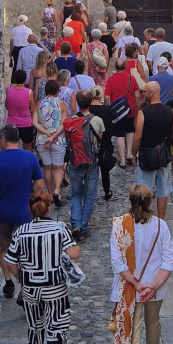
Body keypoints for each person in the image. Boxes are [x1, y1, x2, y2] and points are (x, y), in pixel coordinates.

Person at [4, 191, 80, 344]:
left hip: (30, 289)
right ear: (49, 208)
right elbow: (74, 253)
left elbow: (10, 261)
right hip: (56, 289)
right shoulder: (60, 228)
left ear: (30, 210)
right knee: (56, 330)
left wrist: (23, 279)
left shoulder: (21, 232)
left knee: (34, 325)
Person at [111, 184, 173, 344]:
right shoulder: (161, 226)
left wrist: (137, 285)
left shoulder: (120, 225)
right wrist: (151, 287)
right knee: (153, 321)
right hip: (155, 288)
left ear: (130, 200)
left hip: (131, 289)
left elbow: (118, 263)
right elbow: (169, 262)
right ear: (150, 202)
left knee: (133, 336)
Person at [0, 124, 44, 299]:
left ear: (2, 139)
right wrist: (30, 195)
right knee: (24, 251)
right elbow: (39, 185)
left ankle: (9, 283)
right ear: (17, 140)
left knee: (5, 248)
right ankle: (26, 285)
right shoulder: (30, 158)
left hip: (2, 213)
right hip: (24, 212)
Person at [132, 81, 173, 219]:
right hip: (163, 155)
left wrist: (133, 153)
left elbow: (138, 136)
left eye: (145, 92)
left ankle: (144, 217)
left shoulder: (143, 113)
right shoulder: (169, 111)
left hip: (147, 156)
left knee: (144, 190)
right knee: (163, 191)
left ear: (151, 93)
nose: (143, 94)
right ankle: (161, 220)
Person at [66, 91, 104, 241]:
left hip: (74, 161)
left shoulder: (70, 121)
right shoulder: (98, 120)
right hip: (91, 162)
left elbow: (68, 139)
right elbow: (99, 140)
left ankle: (75, 223)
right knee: (89, 195)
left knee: (76, 194)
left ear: (78, 103)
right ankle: (83, 227)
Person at [32, 79, 67, 206]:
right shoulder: (62, 104)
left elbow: (34, 122)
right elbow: (64, 123)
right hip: (58, 140)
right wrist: (53, 136)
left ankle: (50, 193)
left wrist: (46, 134)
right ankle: (57, 190)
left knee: (47, 167)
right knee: (58, 167)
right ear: (57, 91)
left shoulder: (38, 104)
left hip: (42, 139)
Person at [104, 58, 140, 168]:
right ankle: (129, 153)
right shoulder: (131, 78)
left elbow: (106, 97)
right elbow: (137, 95)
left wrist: (108, 109)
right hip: (130, 109)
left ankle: (122, 160)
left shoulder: (111, 79)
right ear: (125, 67)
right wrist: (137, 109)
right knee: (130, 131)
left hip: (117, 111)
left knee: (119, 134)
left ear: (115, 67)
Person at [88, 86, 115, 200]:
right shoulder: (107, 109)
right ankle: (106, 190)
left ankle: (90, 191)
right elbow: (110, 127)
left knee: (90, 169)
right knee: (105, 170)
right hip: (105, 142)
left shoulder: (87, 109)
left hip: (90, 143)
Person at [6, 70, 34, 153]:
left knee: (11, 148)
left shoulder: (9, 90)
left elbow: (7, 106)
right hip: (25, 124)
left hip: (11, 123)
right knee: (27, 148)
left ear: (14, 79)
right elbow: (32, 108)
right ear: (25, 80)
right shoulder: (29, 92)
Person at [10, 15, 32, 83]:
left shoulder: (14, 29)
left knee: (16, 65)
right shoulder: (28, 30)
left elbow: (11, 41)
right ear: (25, 22)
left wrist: (10, 51)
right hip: (25, 49)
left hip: (16, 49)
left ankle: (14, 81)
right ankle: (23, 81)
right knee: (24, 65)